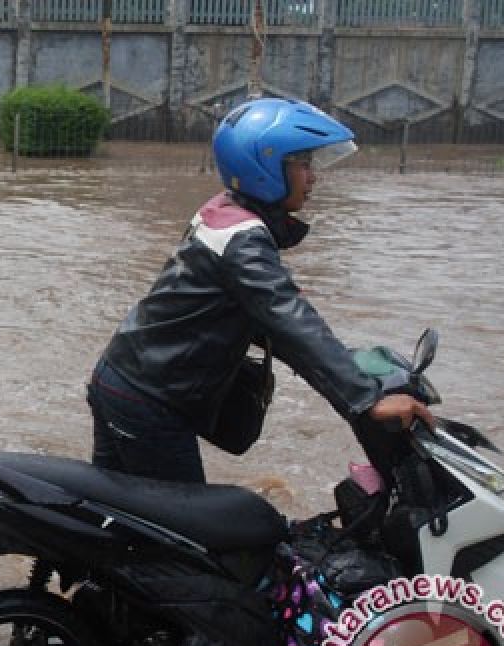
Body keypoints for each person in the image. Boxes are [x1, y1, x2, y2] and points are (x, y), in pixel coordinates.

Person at [87, 97, 433, 486]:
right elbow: (287, 316)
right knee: (187, 533)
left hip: (125, 379)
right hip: (148, 399)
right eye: (303, 164)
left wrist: (350, 366)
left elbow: (271, 323)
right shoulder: (243, 241)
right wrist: (368, 400)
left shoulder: (223, 212)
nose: (313, 177)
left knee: (116, 520)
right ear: (265, 167)